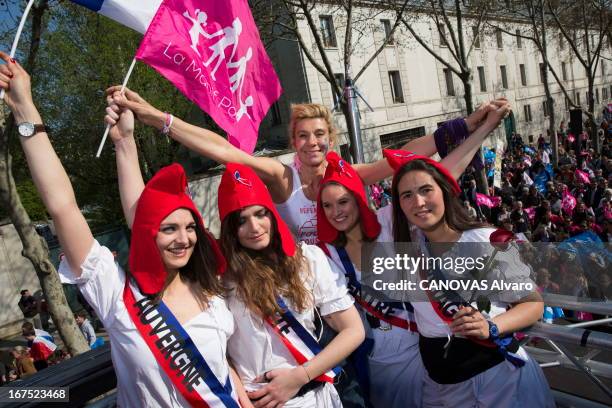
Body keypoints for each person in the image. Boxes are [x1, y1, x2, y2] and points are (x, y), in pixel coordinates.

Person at [0, 53, 249, 407]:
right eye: (169, 229)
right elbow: (63, 207)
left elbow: (220, 363)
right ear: (150, 234)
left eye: (190, 227)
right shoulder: (116, 294)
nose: (183, 238)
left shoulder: (211, 290)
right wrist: (26, 112)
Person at [106, 86, 510, 244]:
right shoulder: (283, 177)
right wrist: (157, 117)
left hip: (366, 269)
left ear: (329, 139)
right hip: (318, 284)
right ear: (293, 142)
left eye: (319, 135)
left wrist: (468, 124)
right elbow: (225, 153)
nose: (312, 142)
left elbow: (407, 154)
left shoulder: (349, 174)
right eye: (302, 136)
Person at [384, 149, 555, 407]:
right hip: (440, 387)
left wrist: (492, 326)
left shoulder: (486, 240)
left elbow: (533, 303)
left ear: (444, 191)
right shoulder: (408, 251)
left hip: (499, 381)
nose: (418, 202)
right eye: (407, 195)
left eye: (426, 190)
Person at [216, 162, 364, 407]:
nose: (255, 227)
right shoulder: (220, 279)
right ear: (230, 229)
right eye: (241, 220)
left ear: (271, 214)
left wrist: (300, 376)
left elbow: (353, 331)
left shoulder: (307, 259)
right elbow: (219, 352)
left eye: (260, 213)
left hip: (315, 396)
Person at [316, 152, 423, 408]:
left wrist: (474, 130)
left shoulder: (387, 221)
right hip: (372, 361)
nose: (336, 212)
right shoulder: (325, 252)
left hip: (418, 349)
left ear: (357, 198)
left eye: (343, 202)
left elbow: (438, 184)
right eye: (327, 206)